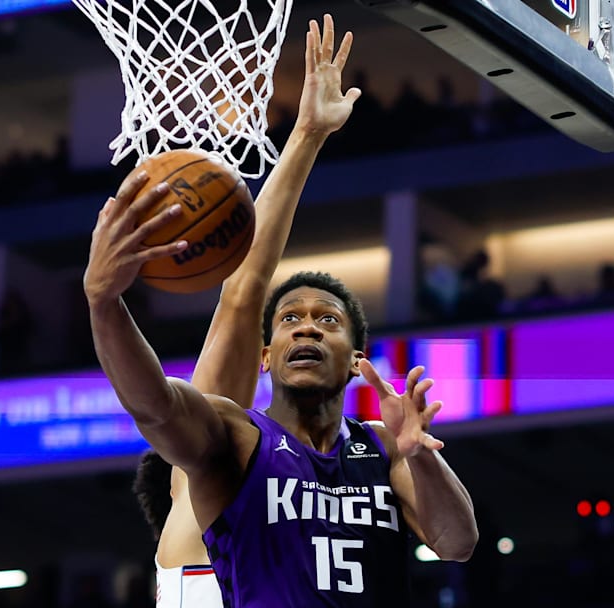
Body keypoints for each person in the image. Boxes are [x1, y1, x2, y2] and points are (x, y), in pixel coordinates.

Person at [86, 32, 477, 608]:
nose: (308, 327)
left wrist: (422, 458)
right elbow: (236, 304)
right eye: (292, 318)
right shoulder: (223, 462)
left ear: (356, 359)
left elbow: (458, 542)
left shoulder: (375, 452)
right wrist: (103, 302)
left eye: (327, 320)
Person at [129, 14, 362, 605]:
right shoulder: (204, 523)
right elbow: (243, 290)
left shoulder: (273, 554)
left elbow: (245, 291)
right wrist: (306, 135)